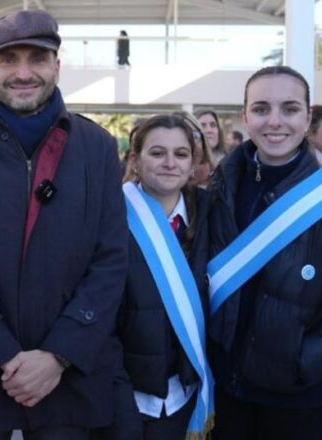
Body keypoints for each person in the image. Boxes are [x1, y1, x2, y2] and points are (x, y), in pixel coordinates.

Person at [0, 9, 128, 439]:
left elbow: (110, 260)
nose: (23, 73)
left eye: (37, 58)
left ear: (56, 65)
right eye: (8, 60)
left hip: (69, 388)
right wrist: (2, 354)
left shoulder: (97, 147)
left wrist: (58, 355)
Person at [206, 66, 322, 440]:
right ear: (245, 117)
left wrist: (303, 362)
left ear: (307, 117)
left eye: (289, 109)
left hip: (296, 402)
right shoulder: (218, 190)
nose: (274, 121)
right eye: (261, 109)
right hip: (222, 389)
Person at [101, 114, 215, 440]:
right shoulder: (109, 214)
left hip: (185, 398)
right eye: (157, 153)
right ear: (135, 160)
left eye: (180, 154)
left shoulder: (211, 213)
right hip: (123, 398)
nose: (169, 163)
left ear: (194, 164)